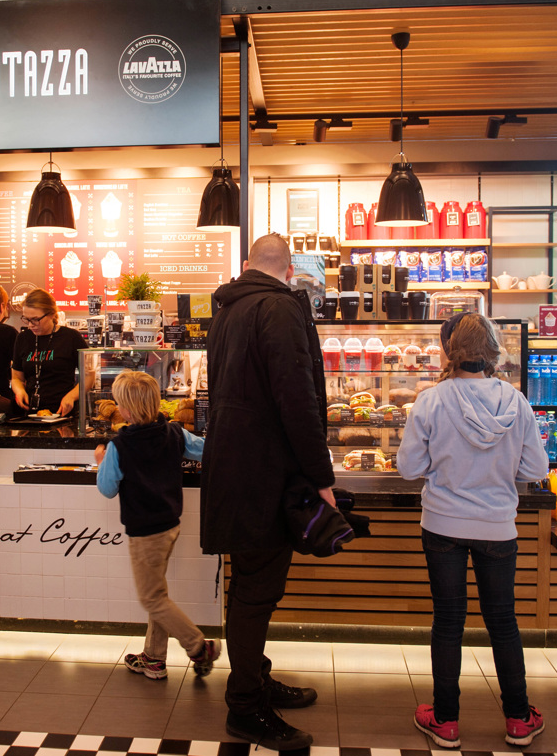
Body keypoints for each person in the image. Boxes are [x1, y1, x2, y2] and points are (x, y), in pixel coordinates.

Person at [201, 234, 335, 751]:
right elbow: (297, 399)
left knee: (248, 585)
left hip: (235, 467)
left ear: (247, 265)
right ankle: (246, 707)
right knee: (257, 592)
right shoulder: (279, 308)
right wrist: (321, 475)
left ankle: (255, 679)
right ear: (289, 271)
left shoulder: (228, 308)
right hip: (264, 474)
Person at [397, 313, 548, 749]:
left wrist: (440, 465)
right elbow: (536, 468)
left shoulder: (431, 400)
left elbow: (409, 467)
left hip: (442, 523)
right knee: (503, 621)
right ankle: (519, 718)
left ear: (451, 351)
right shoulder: (515, 401)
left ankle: (445, 721)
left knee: (448, 621)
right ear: (493, 353)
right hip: (498, 526)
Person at [93, 370, 220, 681]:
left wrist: (101, 461)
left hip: (144, 532)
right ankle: (153, 658)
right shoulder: (174, 432)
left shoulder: (120, 446)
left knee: (151, 598)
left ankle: (198, 646)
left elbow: (107, 488)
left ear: (125, 409)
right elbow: (206, 450)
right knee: (158, 593)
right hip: (170, 524)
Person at [10, 288, 88, 417]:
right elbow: (16, 377)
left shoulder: (71, 337)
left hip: (62, 412)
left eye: (35, 319)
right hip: (30, 415)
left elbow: (89, 377)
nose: (31, 325)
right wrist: (19, 391)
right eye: (27, 319)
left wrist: (71, 397)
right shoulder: (23, 338)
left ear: (51, 314)